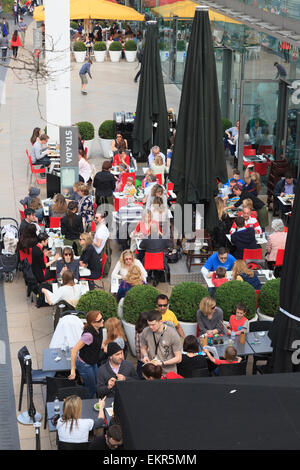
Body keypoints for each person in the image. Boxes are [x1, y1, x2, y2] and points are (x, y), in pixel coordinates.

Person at [68, 310, 104, 398]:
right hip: (85, 364)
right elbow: (74, 350)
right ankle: (86, 404)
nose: (103, 320)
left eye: (102, 318)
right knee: (91, 388)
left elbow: (97, 342)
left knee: (96, 383)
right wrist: (73, 370)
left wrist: (103, 346)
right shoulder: (88, 335)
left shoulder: (99, 328)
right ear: (93, 323)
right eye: (100, 320)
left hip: (93, 361)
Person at [140, 310, 182, 375]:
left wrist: (162, 363)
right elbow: (143, 348)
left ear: (160, 322)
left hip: (168, 373)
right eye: (149, 324)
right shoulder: (146, 331)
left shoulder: (172, 334)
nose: (150, 327)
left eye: (153, 324)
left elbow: (178, 358)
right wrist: (145, 356)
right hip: (152, 372)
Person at [135, 311, 149, 379]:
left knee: (139, 376)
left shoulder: (138, 329)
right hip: (146, 360)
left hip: (139, 358)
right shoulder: (145, 333)